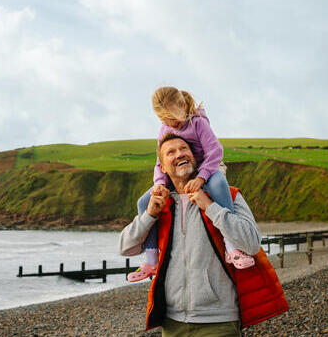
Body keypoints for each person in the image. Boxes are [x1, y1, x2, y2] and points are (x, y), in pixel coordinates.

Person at [119, 134, 288, 335]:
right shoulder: (160, 204)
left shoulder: (228, 196)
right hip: (172, 322)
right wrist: (149, 216)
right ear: (162, 168)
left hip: (219, 320)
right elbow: (125, 247)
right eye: (170, 152)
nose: (179, 154)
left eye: (184, 148)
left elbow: (251, 243)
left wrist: (210, 206)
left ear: (195, 157)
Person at [128, 87, 254, 283]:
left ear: (183, 106)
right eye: (165, 121)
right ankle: (151, 260)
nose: (171, 125)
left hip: (208, 167)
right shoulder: (165, 129)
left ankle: (232, 247)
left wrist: (202, 178)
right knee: (144, 202)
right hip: (178, 172)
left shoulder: (198, 123)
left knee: (219, 185)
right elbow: (159, 162)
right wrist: (160, 183)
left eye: (174, 119)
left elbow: (215, 151)